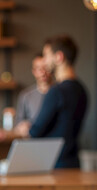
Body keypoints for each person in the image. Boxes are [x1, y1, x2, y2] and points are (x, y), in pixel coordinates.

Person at [29, 34, 87, 169]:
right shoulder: (82, 90)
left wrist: (27, 127)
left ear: (59, 57)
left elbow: (36, 131)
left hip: (54, 165)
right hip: (73, 163)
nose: (44, 61)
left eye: (46, 56)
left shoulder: (56, 91)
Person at [14, 53, 53, 137]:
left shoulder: (59, 94)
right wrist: (23, 126)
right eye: (39, 69)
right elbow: (18, 124)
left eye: (46, 68)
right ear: (34, 71)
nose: (43, 72)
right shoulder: (26, 95)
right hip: (32, 141)